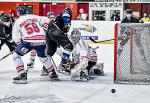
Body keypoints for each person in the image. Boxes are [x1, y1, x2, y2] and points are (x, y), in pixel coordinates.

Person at [12, 6, 58, 84]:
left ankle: (22, 74)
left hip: (28, 42)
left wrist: (18, 44)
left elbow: (15, 36)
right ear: (27, 12)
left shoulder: (18, 21)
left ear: (18, 13)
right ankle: (52, 72)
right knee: (43, 58)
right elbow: (47, 21)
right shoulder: (35, 16)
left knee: (16, 55)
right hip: (41, 41)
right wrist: (45, 29)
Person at [45, 8, 74, 74]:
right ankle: (63, 65)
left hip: (49, 34)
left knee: (50, 52)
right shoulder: (66, 15)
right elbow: (66, 29)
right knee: (69, 47)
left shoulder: (56, 18)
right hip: (56, 32)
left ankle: (46, 69)